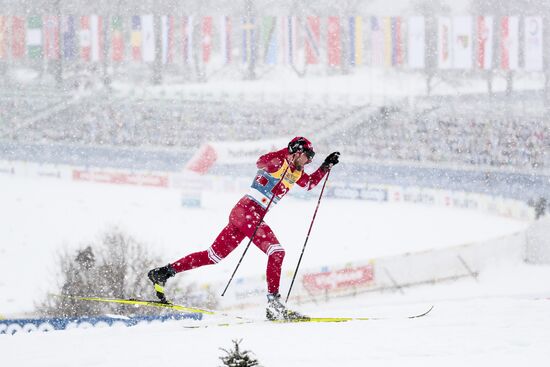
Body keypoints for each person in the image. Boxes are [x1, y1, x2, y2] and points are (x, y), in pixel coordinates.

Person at [148, 137, 340, 320]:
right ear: (297, 152)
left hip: (245, 215)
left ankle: (163, 272)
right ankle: (273, 305)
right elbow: (260, 162)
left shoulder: (296, 171)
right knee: (277, 252)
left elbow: (309, 184)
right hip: (247, 212)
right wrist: (284, 156)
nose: (308, 162)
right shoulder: (278, 161)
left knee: (213, 256)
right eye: (307, 156)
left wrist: (325, 166)